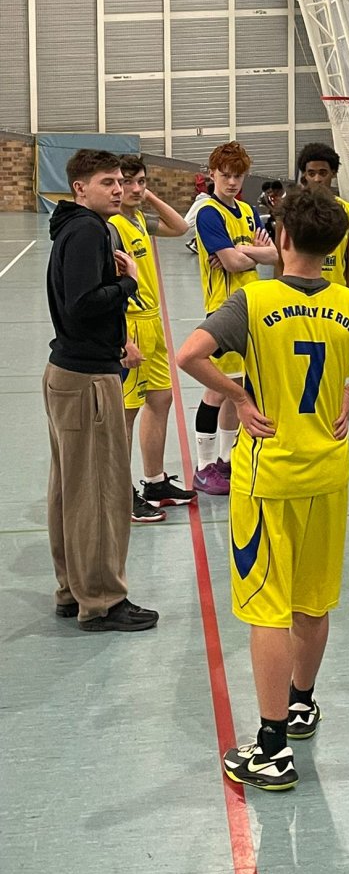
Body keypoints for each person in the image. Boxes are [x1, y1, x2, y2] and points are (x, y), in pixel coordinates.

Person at [176, 186, 349, 788]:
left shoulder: (255, 300)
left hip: (269, 476)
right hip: (328, 472)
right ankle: (301, 704)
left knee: (267, 609)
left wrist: (239, 396)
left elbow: (190, 354)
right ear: (336, 244)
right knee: (312, 602)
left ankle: (270, 747)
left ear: (283, 237)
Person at [44, 149, 159, 632]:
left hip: (70, 371)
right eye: (107, 182)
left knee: (70, 490)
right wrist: (128, 284)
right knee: (97, 492)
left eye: (120, 181)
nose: (118, 189)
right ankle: (103, 602)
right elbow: (83, 304)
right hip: (88, 380)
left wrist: (118, 340)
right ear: (80, 188)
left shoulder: (73, 227)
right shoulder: (89, 230)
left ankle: (74, 590)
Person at [110, 156, 194, 521]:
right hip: (131, 326)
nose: (134, 189)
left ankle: (155, 482)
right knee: (125, 415)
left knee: (161, 399)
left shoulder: (139, 219)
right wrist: (121, 339)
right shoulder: (112, 226)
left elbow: (181, 227)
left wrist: (150, 197)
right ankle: (120, 494)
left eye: (141, 181)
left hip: (154, 323)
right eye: (127, 182)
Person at [192, 142, 277, 494]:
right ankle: (203, 466)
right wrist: (248, 253)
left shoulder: (247, 210)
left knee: (236, 387)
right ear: (212, 174)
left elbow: (274, 254)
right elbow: (232, 262)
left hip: (251, 307)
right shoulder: (208, 213)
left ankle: (226, 459)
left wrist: (242, 251)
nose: (231, 182)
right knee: (216, 389)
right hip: (223, 311)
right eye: (225, 175)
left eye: (237, 176)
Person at [282, 142, 349, 290]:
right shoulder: (290, 211)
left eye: (323, 173)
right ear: (304, 175)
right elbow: (279, 261)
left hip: (335, 293)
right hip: (297, 293)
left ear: (333, 173)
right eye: (311, 173)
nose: (317, 179)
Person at [184, 172, 210, 254]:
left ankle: (194, 241)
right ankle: (196, 243)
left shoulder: (203, 198)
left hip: (187, 228)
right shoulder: (207, 201)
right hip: (188, 228)